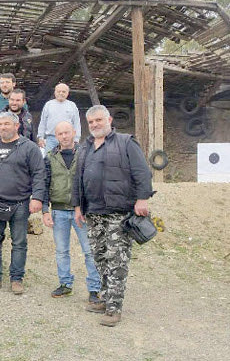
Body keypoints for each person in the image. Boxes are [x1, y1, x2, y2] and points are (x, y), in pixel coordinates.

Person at [72, 105, 153, 327]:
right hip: (93, 214)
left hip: (119, 213)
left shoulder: (126, 142)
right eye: (91, 122)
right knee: (99, 257)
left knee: (117, 261)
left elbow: (142, 172)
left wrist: (142, 198)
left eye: (99, 120)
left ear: (108, 119)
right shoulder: (85, 147)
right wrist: (78, 206)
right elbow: (77, 179)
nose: (95, 125)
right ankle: (106, 299)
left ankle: (114, 309)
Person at [0, 112, 45, 295]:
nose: (3, 127)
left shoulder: (29, 148)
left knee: (19, 242)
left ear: (16, 125)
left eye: (7, 124)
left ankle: (16, 279)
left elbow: (38, 174)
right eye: (1, 124)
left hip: (19, 203)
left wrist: (37, 197)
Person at [42, 121, 100, 302]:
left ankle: (94, 288)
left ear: (74, 132)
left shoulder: (86, 153)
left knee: (89, 250)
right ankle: (65, 284)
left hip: (81, 211)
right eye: (60, 134)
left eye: (67, 132)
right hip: (59, 210)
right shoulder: (50, 157)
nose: (64, 136)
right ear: (56, 136)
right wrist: (45, 209)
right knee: (61, 251)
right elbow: (44, 183)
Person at [37, 83, 81, 152]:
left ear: (67, 93)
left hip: (67, 139)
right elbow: (43, 122)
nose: (61, 93)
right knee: (49, 160)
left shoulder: (72, 105)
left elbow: (76, 123)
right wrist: (40, 137)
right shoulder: (49, 105)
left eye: (63, 92)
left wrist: (76, 139)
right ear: (55, 92)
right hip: (51, 139)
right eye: (58, 91)